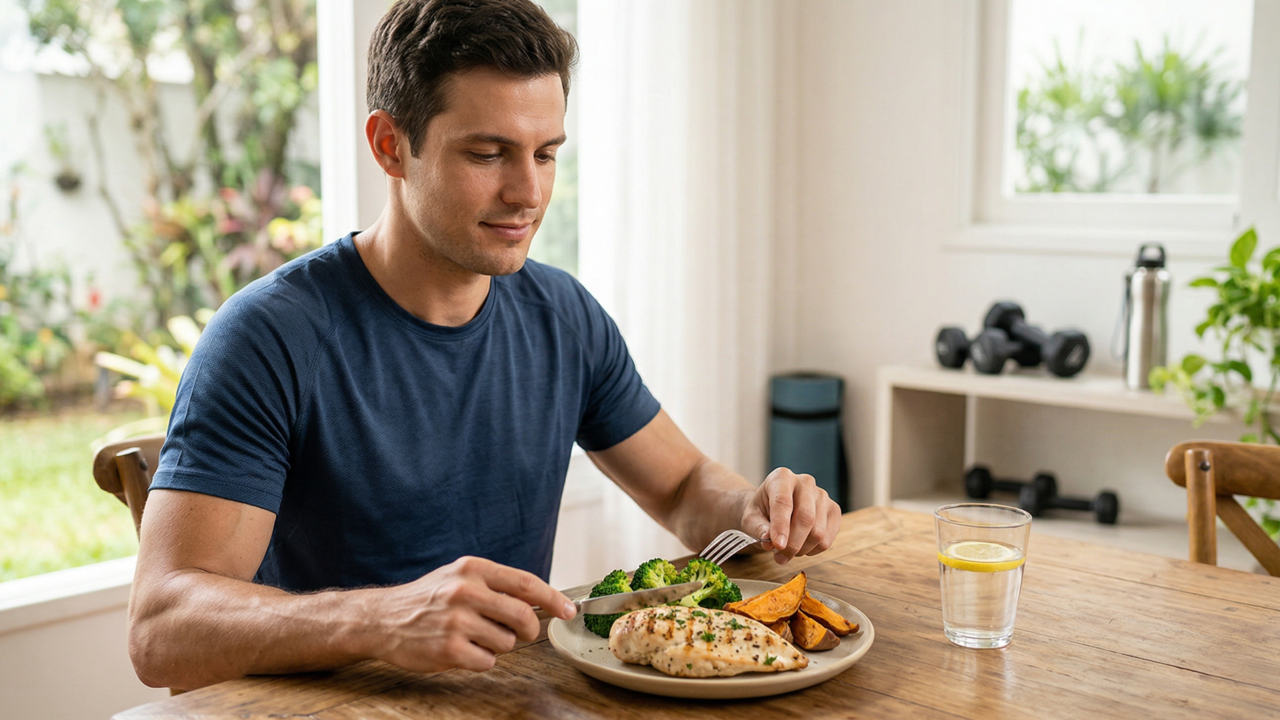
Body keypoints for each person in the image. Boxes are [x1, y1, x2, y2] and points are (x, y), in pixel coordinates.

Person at [128, 0, 842, 691]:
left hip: (510, 698)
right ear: (390, 146)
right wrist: (381, 617)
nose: (528, 192)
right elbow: (162, 632)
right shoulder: (267, 337)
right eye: (488, 153)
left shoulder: (563, 314)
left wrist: (753, 508)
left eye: (546, 153)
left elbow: (685, 487)